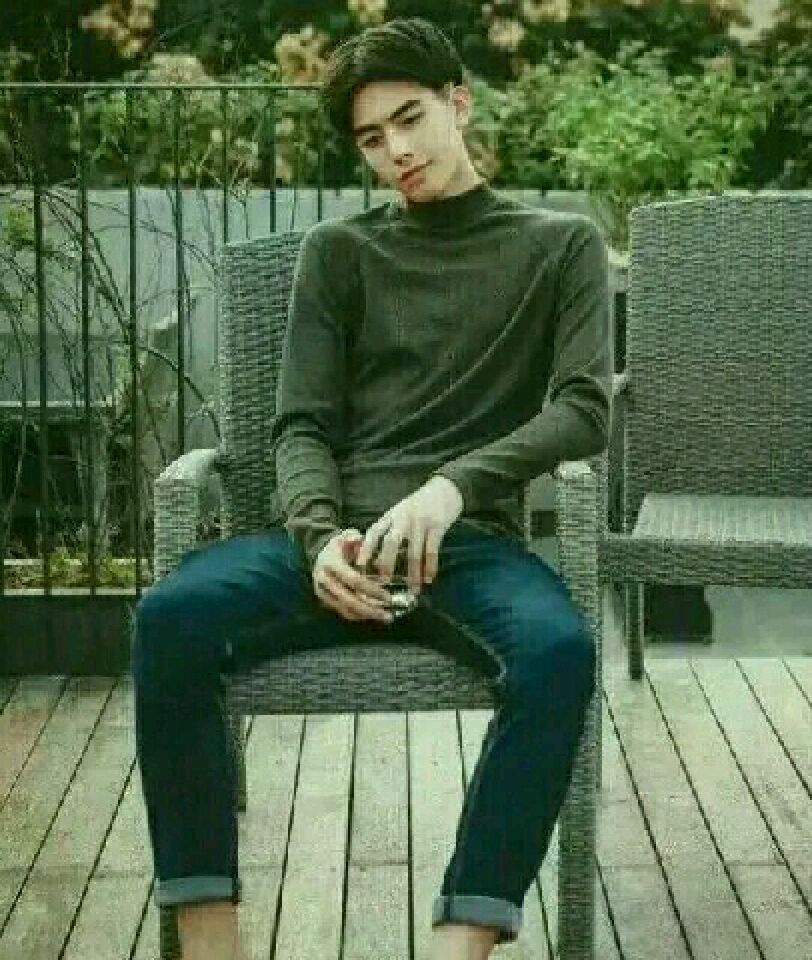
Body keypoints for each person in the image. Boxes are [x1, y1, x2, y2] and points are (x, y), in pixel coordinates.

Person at [131, 16, 612, 960]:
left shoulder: (563, 246)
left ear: (458, 103)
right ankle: (212, 947)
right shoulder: (339, 251)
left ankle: (463, 943)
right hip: (335, 543)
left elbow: (585, 410)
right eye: (371, 138)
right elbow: (301, 425)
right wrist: (317, 541)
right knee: (170, 618)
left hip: (469, 548)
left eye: (410, 119)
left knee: (559, 652)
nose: (396, 151)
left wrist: (451, 488)